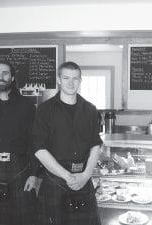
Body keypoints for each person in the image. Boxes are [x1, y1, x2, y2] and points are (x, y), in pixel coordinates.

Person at [33, 61, 102, 225]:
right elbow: (38, 149)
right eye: (66, 78)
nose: (71, 83)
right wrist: (67, 176)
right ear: (58, 80)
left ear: (80, 80)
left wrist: (85, 176)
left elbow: (95, 145)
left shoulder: (90, 110)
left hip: (83, 178)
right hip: (55, 180)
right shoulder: (44, 110)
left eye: (75, 78)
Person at [0, 60, 38, 225]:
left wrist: (34, 173)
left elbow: (34, 141)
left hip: (20, 169)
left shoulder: (27, 106)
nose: (0, 77)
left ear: (13, 77)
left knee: (22, 219)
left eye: (5, 73)